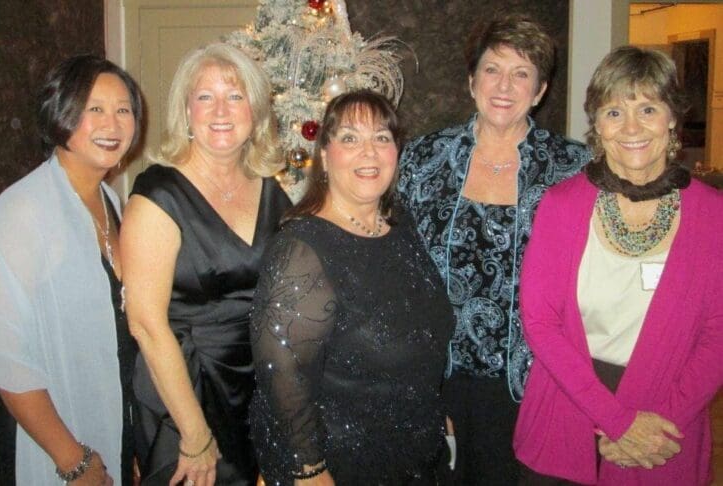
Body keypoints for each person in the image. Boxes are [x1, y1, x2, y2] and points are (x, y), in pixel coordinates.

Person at [514, 46, 723, 485]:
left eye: (647, 109)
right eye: (614, 112)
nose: (631, 128)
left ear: (672, 118)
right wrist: (617, 421)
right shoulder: (561, 205)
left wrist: (655, 429)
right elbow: (540, 323)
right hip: (566, 407)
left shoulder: (713, 215)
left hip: (665, 428)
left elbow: (718, 335)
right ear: (597, 124)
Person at [397, 13, 590, 484]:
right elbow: (396, 265)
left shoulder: (573, 168)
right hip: (437, 376)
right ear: (472, 80)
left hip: (537, 381)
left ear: (540, 91)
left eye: (521, 73)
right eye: (492, 69)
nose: (504, 85)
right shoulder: (423, 159)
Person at [249, 89, 455, 485]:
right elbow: (282, 373)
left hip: (416, 454)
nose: (369, 152)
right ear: (325, 155)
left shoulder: (401, 227)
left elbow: (423, 332)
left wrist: (435, 410)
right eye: (350, 138)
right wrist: (309, 469)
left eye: (381, 137)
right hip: (341, 465)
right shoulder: (302, 249)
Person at [120, 43, 290, 486]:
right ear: (186, 110)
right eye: (205, 96)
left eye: (235, 96)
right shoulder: (159, 194)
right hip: (184, 389)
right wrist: (194, 433)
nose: (221, 111)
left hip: (253, 386)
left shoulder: (270, 187)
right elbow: (145, 324)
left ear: (255, 110)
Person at [0, 54, 143, 485]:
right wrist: (73, 461)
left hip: (106, 411)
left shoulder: (111, 201)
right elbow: (6, 359)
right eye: (94, 108)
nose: (112, 124)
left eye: (123, 110)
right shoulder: (21, 211)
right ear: (62, 114)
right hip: (46, 440)